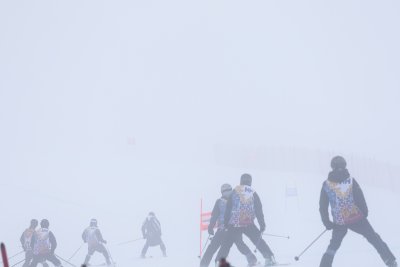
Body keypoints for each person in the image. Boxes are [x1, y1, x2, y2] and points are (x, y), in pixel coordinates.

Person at [319, 156, 397, 267]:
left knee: (334, 245)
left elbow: (322, 206)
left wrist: (327, 222)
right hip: (355, 217)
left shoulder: (326, 184)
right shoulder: (350, 180)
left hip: (339, 221)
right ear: (344, 165)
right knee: (373, 237)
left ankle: (324, 265)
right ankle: (390, 261)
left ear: (333, 167)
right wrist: (364, 213)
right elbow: (359, 197)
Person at [219, 174, 276, 267]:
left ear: (241, 180)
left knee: (227, 242)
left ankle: (220, 261)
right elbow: (258, 209)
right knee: (257, 239)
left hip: (233, 223)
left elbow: (228, 209)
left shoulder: (234, 191)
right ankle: (269, 258)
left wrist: (226, 223)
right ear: (250, 181)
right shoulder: (253, 192)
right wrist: (262, 224)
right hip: (247, 222)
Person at [200, 184, 258, 267]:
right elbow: (215, 216)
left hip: (228, 229)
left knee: (217, 246)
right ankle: (205, 264)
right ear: (222, 192)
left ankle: (208, 263)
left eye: (229, 190)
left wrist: (210, 227)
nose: (227, 192)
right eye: (226, 191)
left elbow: (215, 216)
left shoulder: (231, 201)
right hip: (228, 229)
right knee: (238, 244)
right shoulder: (225, 201)